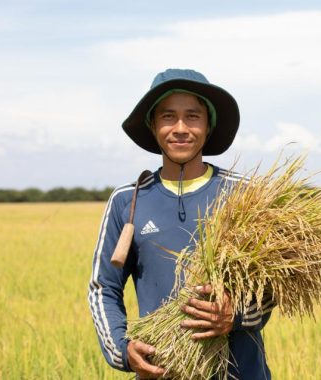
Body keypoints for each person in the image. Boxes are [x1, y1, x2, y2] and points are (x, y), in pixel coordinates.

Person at [88, 69, 274, 379]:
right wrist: (123, 350)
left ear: (209, 125)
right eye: (168, 117)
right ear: (153, 125)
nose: (180, 128)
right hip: (163, 370)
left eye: (192, 116)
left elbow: (276, 285)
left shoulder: (245, 194)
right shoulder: (127, 202)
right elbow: (102, 288)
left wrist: (235, 316)